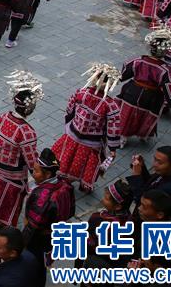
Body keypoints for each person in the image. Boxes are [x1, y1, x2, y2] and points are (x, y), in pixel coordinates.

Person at [0, 71, 41, 227]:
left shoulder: (2, 117)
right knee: (5, 198)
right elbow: (31, 160)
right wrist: (38, 174)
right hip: (12, 173)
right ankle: (0, 220)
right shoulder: (26, 131)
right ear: (29, 108)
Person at [51, 63, 121, 193]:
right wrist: (113, 147)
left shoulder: (80, 93)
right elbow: (113, 128)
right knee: (88, 164)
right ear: (111, 84)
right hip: (92, 142)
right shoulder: (110, 105)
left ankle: (63, 177)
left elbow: (69, 110)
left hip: (73, 134)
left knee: (68, 157)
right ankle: (84, 185)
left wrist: (71, 125)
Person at [23, 148, 75, 287]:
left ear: (47, 175)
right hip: (54, 234)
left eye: (37, 171)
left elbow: (32, 226)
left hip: (39, 239)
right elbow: (71, 210)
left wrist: (21, 244)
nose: (33, 173)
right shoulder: (64, 184)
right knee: (42, 265)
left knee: (35, 265)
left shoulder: (43, 196)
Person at [117, 25, 171, 145]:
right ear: (165, 52)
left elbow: (123, 74)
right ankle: (143, 135)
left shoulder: (137, 61)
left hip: (131, 92)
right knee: (145, 116)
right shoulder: (164, 70)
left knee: (127, 114)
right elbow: (170, 88)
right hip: (151, 97)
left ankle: (122, 137)